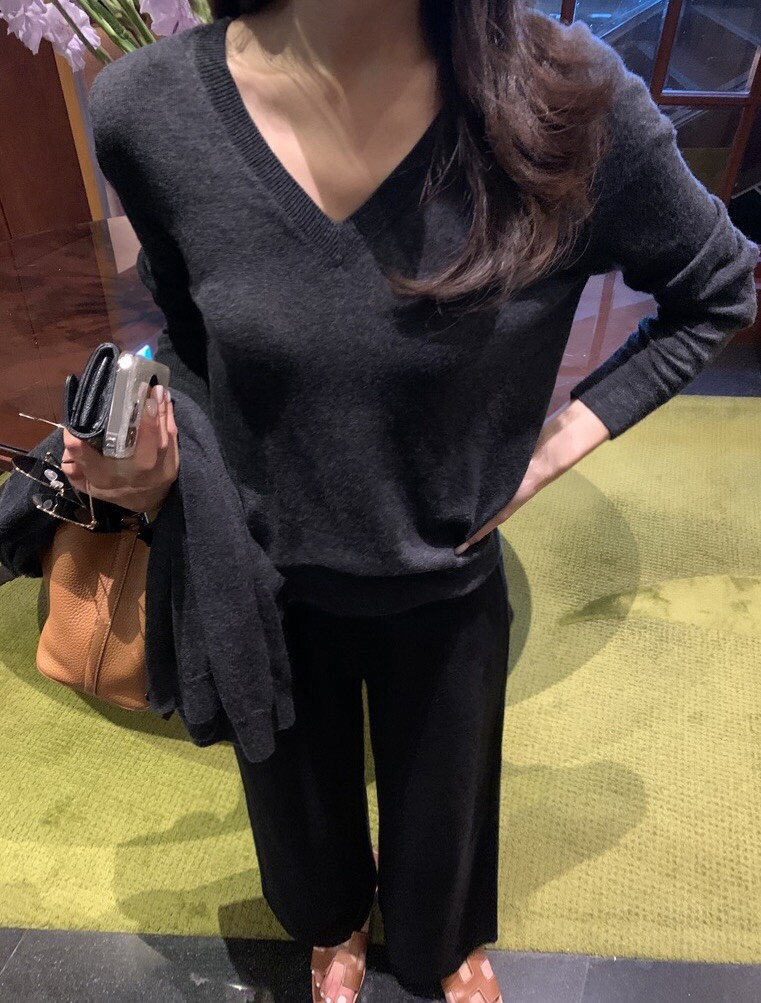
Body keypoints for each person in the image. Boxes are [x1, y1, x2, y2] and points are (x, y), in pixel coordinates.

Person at [61, 0, 759, 1000]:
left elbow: (715, 287)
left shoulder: (567, 100)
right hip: (262, 569)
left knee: (445, 827)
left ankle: (438, 936)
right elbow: (189, 337)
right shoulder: (148, 107)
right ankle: (335, 921)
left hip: (446, 572)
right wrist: (157, 466)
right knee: (299, 826)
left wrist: (547, 452)